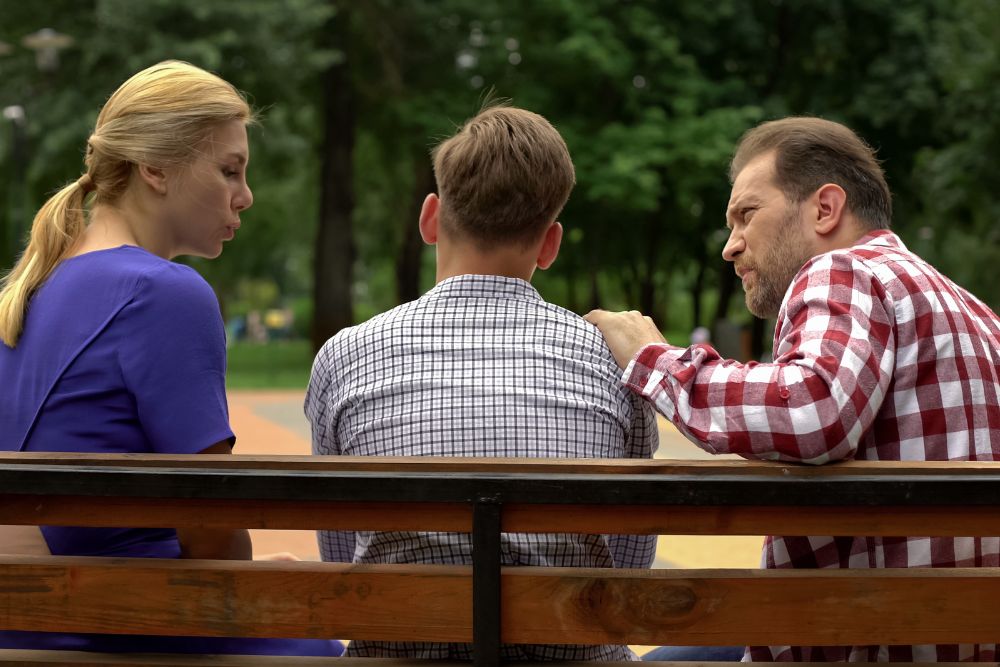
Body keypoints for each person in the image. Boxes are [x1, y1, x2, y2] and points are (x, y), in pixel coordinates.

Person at [585, 116, 1000, 662]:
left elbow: (811, 409)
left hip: (862, 640)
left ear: (825, 209)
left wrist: (654, 359)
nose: (730, 248)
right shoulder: (975, 311)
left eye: (746, 215)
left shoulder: (845, 269)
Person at [0, 60, 340, 657]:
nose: (246, 195)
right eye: (229, 170)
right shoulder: (164, 291)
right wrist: (255, 582)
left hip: (29, 621)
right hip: (128, 623)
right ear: (154, 167)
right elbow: (211, 527)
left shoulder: (25, 293)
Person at [305, 104, 659, 661]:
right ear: (550, 243)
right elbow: (628, 559)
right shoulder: (611, 361)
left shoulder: (345, 355)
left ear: (430, 218)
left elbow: (341, 548)